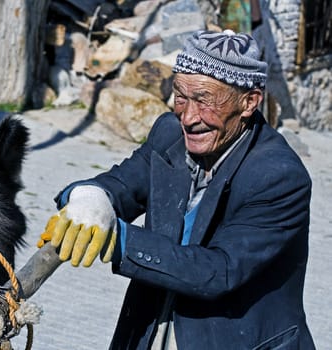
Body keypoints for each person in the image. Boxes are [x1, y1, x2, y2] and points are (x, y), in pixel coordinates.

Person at [38, 30, 316, 349]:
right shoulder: (169, 134)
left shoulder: (279, 176)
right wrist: (89, 200)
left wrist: (119, 240)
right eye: (180, 96)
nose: (188, 116)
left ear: (249, 101)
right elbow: (122, 185)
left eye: (204, 100)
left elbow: (217, 270)